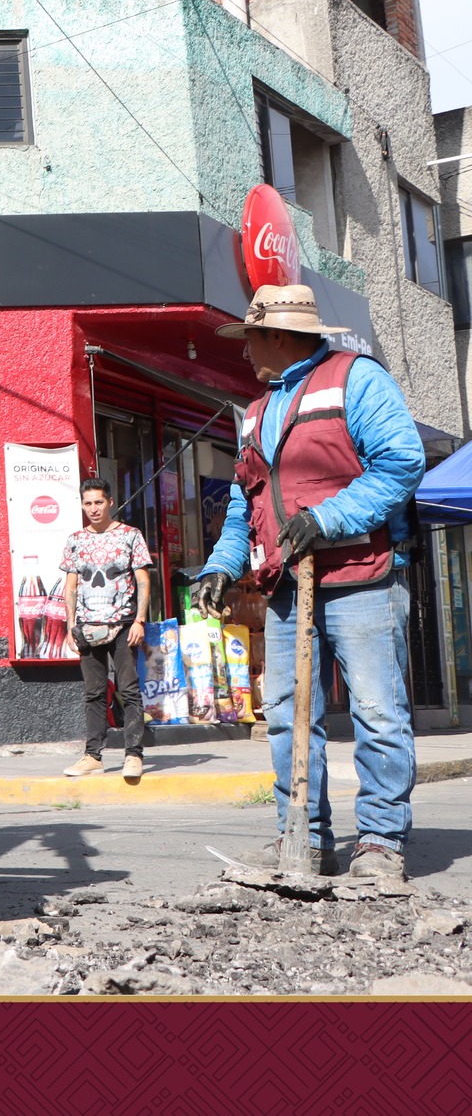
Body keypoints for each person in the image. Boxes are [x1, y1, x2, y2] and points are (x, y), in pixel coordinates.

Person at [194, 284, 424, 882]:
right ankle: (303, 835)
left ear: (276, 334)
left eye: (250, 338)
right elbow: (248, 504)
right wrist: (222, 563)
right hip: (287, 587)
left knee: (377, 711)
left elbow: (401, 461)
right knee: (286, 717)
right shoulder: (257, 411)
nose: (244, 352)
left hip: (361, 578)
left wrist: (325, 519)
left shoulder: (357, 379)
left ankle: (379, 843)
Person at [58, 478, 152, 780]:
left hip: (124, 623)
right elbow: (71, 584)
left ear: (110, 502)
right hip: (87, 627)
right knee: (94, 694)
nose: (93, 509)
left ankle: (134, 754)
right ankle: (92, 756)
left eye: (98, 502)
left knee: (129, 690)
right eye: (87, 503)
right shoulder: (75, 540)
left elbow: (143, 580)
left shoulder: (130, 536)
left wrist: (139, 620)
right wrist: (70, 625)